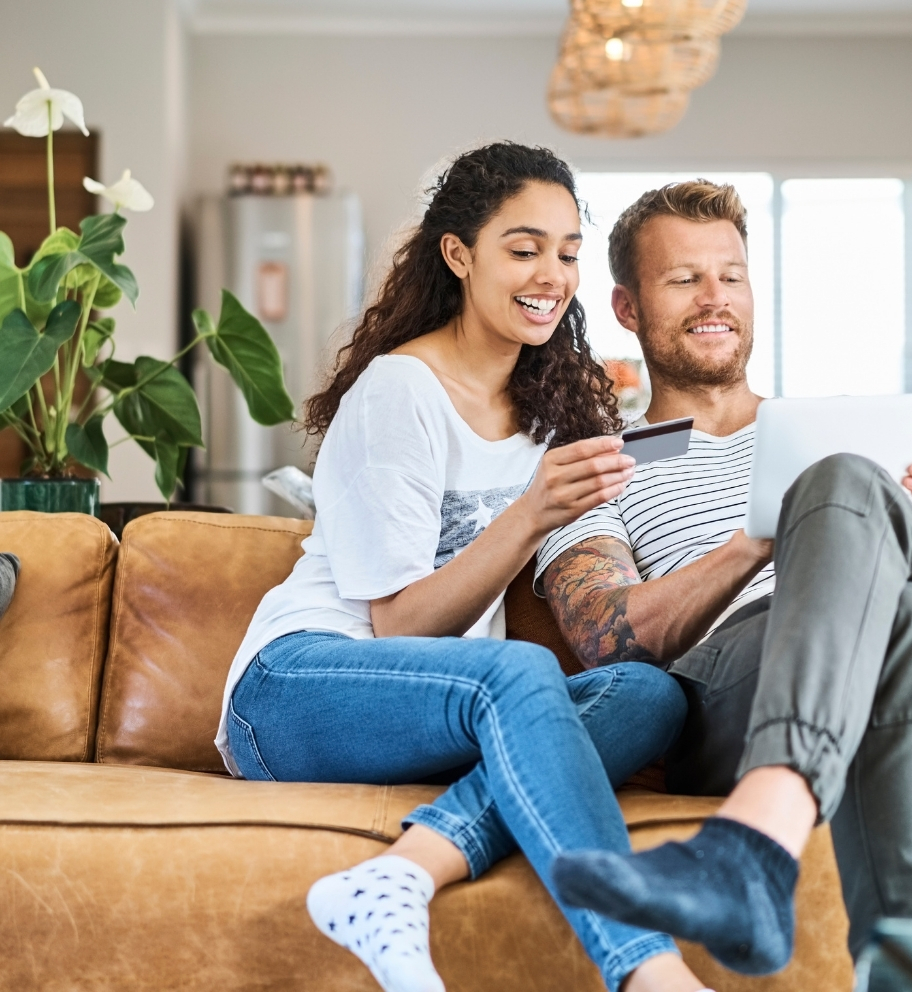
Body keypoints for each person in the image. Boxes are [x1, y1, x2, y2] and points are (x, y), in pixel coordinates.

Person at [215, 145, 716, 992]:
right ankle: (648, 969)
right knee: (518, 673)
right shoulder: (399, 390)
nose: (551, 275)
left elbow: (662, 473)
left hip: (440, 707)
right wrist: (531, 513)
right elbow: (398, 626)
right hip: (294, 686)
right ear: (459, 254)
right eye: (524, 249)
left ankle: (399, 874)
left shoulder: (549, 414)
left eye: (567, 253)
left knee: (648, 695)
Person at [537, 181, 912, 977]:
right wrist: (764, 540)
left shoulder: (849, 430)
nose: (714, 297)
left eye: (732, 275)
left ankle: (754, 846)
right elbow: (607, 638)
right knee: (905, 606)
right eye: (684, 279)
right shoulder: (604, 463)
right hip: (741, 687)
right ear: (627, 307)